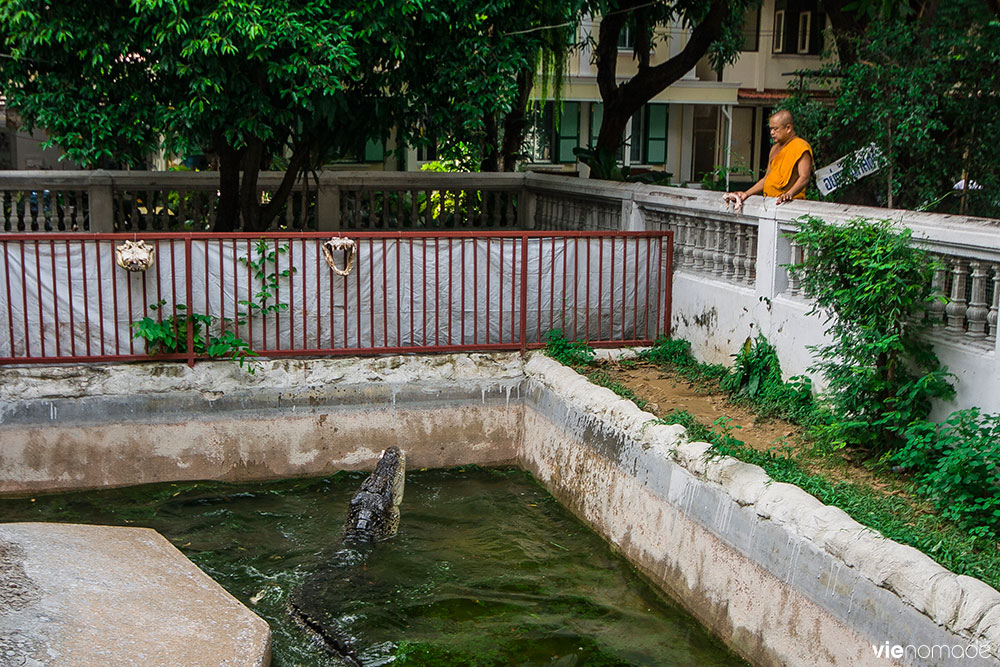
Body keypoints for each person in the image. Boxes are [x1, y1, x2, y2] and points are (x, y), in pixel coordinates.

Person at [732, 110, 813, 205]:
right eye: (770, 129)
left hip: (789, 203)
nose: (772, 133)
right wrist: (746, 194)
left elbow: (804, 177)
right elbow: (767, 178)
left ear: (788, 128)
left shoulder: (800, 146)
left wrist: (789, 193)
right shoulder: (774, 149)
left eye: (775, 129)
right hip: (769, 201)